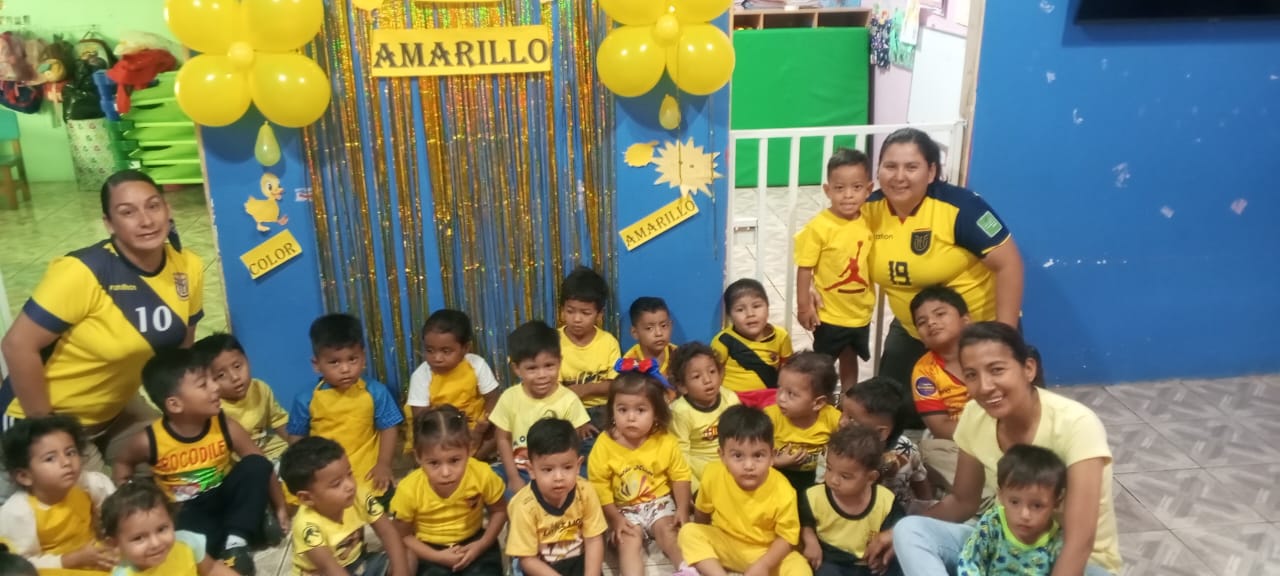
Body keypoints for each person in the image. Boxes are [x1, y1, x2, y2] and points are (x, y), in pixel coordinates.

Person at [0, 170, 205, 475]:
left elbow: (180, 355)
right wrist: (47, 434)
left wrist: (191, 414)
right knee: (95, 502)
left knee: (186, 466)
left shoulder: (188, 266)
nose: (146, 220)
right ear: (109, 223)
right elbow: (16, 345)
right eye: (128, 212)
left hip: (116, 409)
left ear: (167, 209)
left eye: (153, 206)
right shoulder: (82, 271)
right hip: (40, 419)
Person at [876, 323, 1120, 576]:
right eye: (971, 375)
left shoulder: (1076, 424)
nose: (985, 386)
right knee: (910, 530)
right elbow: (962, 501)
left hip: (1074, 561)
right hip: (1005, 550)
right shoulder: (975, 415)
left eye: (997, 370)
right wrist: (895, 534)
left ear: (1028, 369)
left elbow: (1080, 539)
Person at [862, 128, 1024, 425]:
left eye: (912, 167)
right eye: (890, 166)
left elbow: (1009, 265)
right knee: (890, 413)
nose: (899, 177)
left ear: (932, 171)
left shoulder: (962, 208)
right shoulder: (868, 209)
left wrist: (1003, 338)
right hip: (914, 329)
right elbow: (837, 250)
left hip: (978, 330)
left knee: (993, 418)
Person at [112, 348, 287, 575]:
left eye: (213, 380)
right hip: (187, 510)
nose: (216, 387)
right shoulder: (149, 440)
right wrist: (126, 490)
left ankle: (236, 543)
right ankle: (249, 526)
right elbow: (123, 463)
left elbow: (260, 462)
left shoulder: (223, 424)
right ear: (175, 404)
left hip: (225, 495)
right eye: (204, 384)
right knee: (191, 545)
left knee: (255, 465)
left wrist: (281, 507)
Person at [677, 405, 810, 576]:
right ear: (722, 456)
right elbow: (702, 513)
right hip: (726, 544)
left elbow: (787, 538)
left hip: (766, 552)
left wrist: (764, 565)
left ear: (772, 456)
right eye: (738, 456)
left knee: (800, 568)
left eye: (758, 455)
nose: (748, 466)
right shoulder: (712, 474)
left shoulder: (784, 490)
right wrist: (704, 546)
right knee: (688, 532)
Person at [586, 365, 691, 575]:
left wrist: (682, 508)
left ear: (656, 413)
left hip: (658, 502)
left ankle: (686, 569)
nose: (631, 417)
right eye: (622, 410)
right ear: (612, 411)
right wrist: (614, 518)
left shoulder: (664, 440)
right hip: (622, 509)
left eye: (640, 410)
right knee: (627, 541)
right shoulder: (605, 444)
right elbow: (599, 485)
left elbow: (680, 475)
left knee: (668, 532)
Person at [287, 314, 404, 498]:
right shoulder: (305, 399)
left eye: (352, 359)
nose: (345, 369)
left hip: (366, 469)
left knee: (380, 498)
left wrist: (383, 464)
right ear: (316, 364)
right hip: (324, 472)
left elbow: (389, 428)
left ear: (363, 357)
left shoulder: (376, 392)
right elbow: (297, 438)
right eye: (334, 362)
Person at [391, 406, 507, 576]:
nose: (446, 472)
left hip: (475, 542)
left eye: (454, 460)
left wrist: (481, 545)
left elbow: (499, 511)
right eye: (434, 463)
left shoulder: (482, 474)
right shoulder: (409, 490)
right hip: (429, 550)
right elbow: (403, 536)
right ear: (418, 457)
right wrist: (437, 557)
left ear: (469, 449)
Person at [796, 148, 876, 392]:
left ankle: (847, 400)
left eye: (856, 187)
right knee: (823, 364)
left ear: (869, 189)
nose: (848, 195)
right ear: (827, 190)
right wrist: (804, 306)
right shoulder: (819, 227)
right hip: (828, 314)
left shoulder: (870, 219)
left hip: (860, 312)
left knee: (850, 356)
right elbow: (805, 268)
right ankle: (823, 401)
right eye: (839, 188)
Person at [279, 437, 411, 576]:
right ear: (306, 498)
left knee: (407, 556)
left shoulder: (358, 495)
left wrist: (401, 572)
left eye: (349, 474)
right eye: (336, 484)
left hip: (357, 562)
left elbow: (388, 532)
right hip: (322, 573)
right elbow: (328, 568)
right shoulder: (307, 527)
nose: (350, 485)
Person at [0, 416, 117, 572]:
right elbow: (21, 565)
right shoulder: (19, 512)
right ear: (24, 476)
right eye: (50, 458)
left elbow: (116, 516)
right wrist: (73, 559)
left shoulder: (90, 484)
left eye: (70, 452)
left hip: (95, 557)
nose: (66, 462)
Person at [491, 321, 592, 495]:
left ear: (559, 362)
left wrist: (556, 477)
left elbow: (571, 448)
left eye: (549, 366)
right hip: (520, 469)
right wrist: (513, 477)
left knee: (587, 483)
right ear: (516, 369)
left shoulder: (568, 400)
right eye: (532, 368)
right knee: (492, 482)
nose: (542, 375)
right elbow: (502, 439)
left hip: (556, 471)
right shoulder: (509, 398)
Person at [505, 418, 606, 576]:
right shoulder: (523, 506)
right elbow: (528, 559)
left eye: (567, 467)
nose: (558, 477)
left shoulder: (585, 491)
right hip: (541, 568)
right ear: (531, 470)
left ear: (578, 466)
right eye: (548, 470)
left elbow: (593, 539)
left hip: (579, 562)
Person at [799, 425, 904, 576]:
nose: (833, 480)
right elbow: (805, 523)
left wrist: (884, 555)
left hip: (869, 563)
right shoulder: (813, 496)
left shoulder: (885, 501)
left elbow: (899, 529)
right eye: (829, 468)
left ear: (870, 478)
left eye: (845, 476)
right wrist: (810, 541)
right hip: (831, 560)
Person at [405, 310, 500, 459]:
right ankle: (455, 461)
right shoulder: (421, 375)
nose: (437, 358)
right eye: (430, 350)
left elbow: (492, 397)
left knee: (502, 430)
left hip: (476, 427)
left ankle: (472, 460)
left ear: (465, 348)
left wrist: (483, 426)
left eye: (446, 351)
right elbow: (421, 418)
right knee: (423, 445)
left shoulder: (476, 364)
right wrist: (446, 434)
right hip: (438, 430)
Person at [958, 445, 1067, 575]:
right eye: (1014, 502)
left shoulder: (1057, 540)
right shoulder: (993, 523)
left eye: (1037, 506)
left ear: (1056, 502)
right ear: (1001, 496)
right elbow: (969, 561)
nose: (1025, 515)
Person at [101, 480, 238, 576]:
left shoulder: (187, 543)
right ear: (114, 544)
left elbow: (211, 569)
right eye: (139, 538)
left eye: (161, 529)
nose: (155, 543)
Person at [908, 286, 972, 490]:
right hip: (958, 441)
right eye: (922, 322)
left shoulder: (990, 352)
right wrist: (983, 435)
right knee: (929, 452)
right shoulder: (924, 371)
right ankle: (985, 494)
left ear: (965, 320)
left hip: (1003, 433)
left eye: (940, 314)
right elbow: (940, 427)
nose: (931, 323)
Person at [193, 333, 291, 464]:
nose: (235, 377)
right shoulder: (213, 407)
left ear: (247, 360)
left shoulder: (260, 388)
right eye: (221, 375)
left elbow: (279, 420)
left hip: (272, 450)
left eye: (237, 366)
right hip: (240, 461)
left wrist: (299, 448)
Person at [840, 377, 932, 514]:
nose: (842, 422)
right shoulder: (838, 449)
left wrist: (926, 509)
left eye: (852, 419)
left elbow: (920, 481)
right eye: (842, 412)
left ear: (881, 432)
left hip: (896, 516)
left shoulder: (906, 450)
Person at [763, 352, 842, 493]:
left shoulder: (833, 418)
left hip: (819, 479)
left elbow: (849, 449)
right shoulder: (769, 417)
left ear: (818, 403)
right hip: (778, 475)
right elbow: (752, 453)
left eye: (791, 394)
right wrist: (776, 462)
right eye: (779, 388)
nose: (781, 398)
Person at [666, 342, 739, 493]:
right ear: (682, 386)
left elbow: (742, 436)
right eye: (697, 376)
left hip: (730, 461)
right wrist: (694, 490)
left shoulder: (730, 398)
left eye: (712, 371)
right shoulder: (680, 412)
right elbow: (681, 456)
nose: (707, 380)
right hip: (699, 468)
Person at [558, 267, 621, 438]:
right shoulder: (553, 342)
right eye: (570, 311)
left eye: (585, 313)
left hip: (603, 410)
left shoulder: (608, 342)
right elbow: (553, 390)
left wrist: (584, 389)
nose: (577, 319)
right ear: (562, 309)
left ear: (599, 314)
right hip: (565, 410)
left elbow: (615, 385)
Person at [711, 279, 793, 409]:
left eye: (756, 306)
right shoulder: (723, 340)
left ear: (768, 307)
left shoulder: (781, 336)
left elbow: (787, 369)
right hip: (735, 399)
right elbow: (714, 373)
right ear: (730, 315)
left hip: (769, 397)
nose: (750, 314)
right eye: (740, 309)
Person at [622, 297, 677, 380]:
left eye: (663, 326)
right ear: (634, 333)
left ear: (671, 326)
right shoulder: (629, 364)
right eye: (649, 328)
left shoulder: (679, 357)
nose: (659, 333)